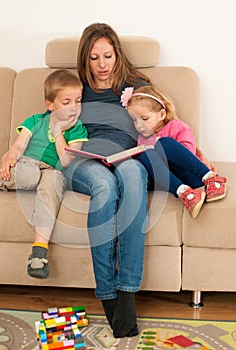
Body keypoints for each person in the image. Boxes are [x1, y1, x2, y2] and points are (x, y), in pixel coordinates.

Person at [0, 69, 88, 279]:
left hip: (55, 171)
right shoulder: (35, 120)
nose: (74, 107)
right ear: (50, 105)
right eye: (66, 102)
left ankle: (39, 251)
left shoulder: (78, 129)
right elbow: (18, 146)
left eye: (78, 101)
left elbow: (65, 161)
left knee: (51, 186)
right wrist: (9, 156)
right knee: (29, 176)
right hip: (29, 164)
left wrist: (58, 133)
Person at [64, 22, 151, 338]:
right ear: (84, 60)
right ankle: (107, 292)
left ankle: (126, 292)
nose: (102, 65)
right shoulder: (75, 90)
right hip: (85, 163)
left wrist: (193, 152)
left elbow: (164, 123)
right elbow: (52, 129)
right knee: (104, 184)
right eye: (94, 58)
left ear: (117, 55)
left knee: (131, 173)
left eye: (107, 56)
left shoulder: (137, 86)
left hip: (126, 159)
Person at [121, 85, 227, 218]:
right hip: (169, 181)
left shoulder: (176, 127)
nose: (139, 125)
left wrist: (158, 145)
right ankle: (186, 194)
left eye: (145, 119)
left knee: (163, 144)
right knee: (146, 155)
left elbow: (187, 154)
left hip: (190, 174)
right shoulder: (142, 139)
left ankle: (210, 178)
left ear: (161, 114)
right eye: (135, 120)